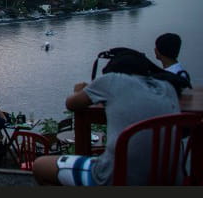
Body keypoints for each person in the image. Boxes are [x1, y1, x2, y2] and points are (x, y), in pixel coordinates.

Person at [32, 48, 188, 186]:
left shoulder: (111, 80)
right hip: (170, 179)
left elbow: (71, 104)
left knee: (40, 165)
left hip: (114, 178)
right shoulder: (168, 88)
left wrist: (78, 90)